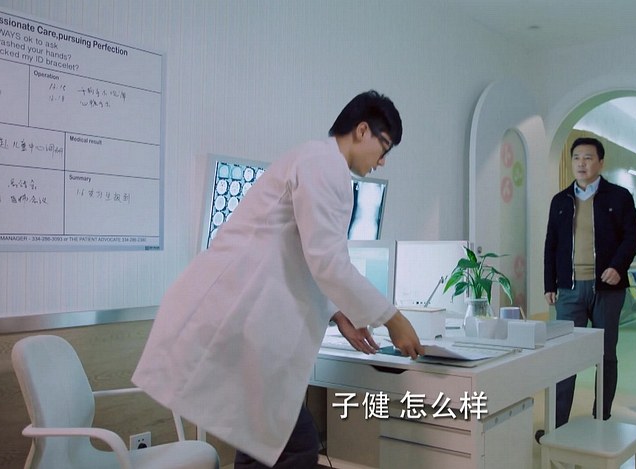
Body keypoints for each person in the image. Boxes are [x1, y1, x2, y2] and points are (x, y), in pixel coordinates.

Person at [132, 90, 425, 468]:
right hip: (236, 319)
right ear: (362, 130)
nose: (382, 161)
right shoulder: (323, 165)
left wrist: (339, 313)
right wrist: (393, 318)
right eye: (384, 148)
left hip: (244, 321)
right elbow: (327, 261)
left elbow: (306, 255)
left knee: (262, 443)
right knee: (292, 445)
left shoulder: (316, 161)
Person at [541, 136, 636, 431]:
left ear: (600, 162)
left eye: (587, 158)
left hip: (606, 290)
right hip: (569, 289)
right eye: (576, 158)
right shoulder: (560, 201)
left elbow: (632, 236)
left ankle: (602, 418)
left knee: (605, 354)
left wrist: (618, 267)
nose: (581, 163)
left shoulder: (619, 197)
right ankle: (557, 424)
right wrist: (549, 284)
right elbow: (551, 244)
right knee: (564, 355)